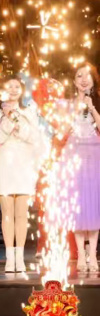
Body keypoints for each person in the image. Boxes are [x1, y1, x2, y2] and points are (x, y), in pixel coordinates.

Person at [0, 76, 42, 273]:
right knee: (7, 213)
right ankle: (9, 258)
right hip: (4, 165)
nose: (13, 89)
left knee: (21, 214)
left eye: (16, 86)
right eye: (8, 86)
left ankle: (20, 257)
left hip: (24, 165)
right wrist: (9, 118)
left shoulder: (29, 111)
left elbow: (33, 137)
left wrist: (16, 118)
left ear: (21, 90)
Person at [66, 64, 100, 272]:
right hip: (74, 155)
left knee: (94, 204)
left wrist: (92, 107)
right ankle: (80, 253)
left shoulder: (97, 102)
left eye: (87, 76)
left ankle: (93, 254)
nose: (84, 79)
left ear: (94, 81)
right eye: (79, 76)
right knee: (78, 205)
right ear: (74, 81)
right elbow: (62, 128)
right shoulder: (68, 104)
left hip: (94, 155)